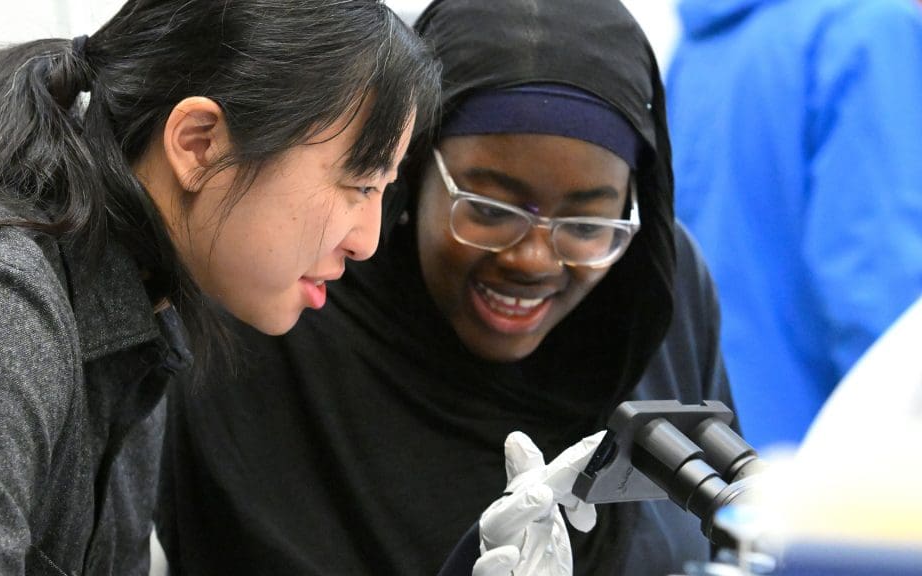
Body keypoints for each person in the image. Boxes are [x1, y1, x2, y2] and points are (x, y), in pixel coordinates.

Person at [156, 0, 736, 575]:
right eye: (488, 210)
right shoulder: (279, 314)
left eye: (586, 227)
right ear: (407, 174)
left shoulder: (654, 299)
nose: (533, 260)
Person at [0, 1, 441, 574]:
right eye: (358, 183)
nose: (368, 241)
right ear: (200, 144)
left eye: (386, 188)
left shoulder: (138, 316)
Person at [666, 0, 922, 449]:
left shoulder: (699, 49)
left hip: (704, 457)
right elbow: (883, 302)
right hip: (829, 476)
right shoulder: (868, 29)